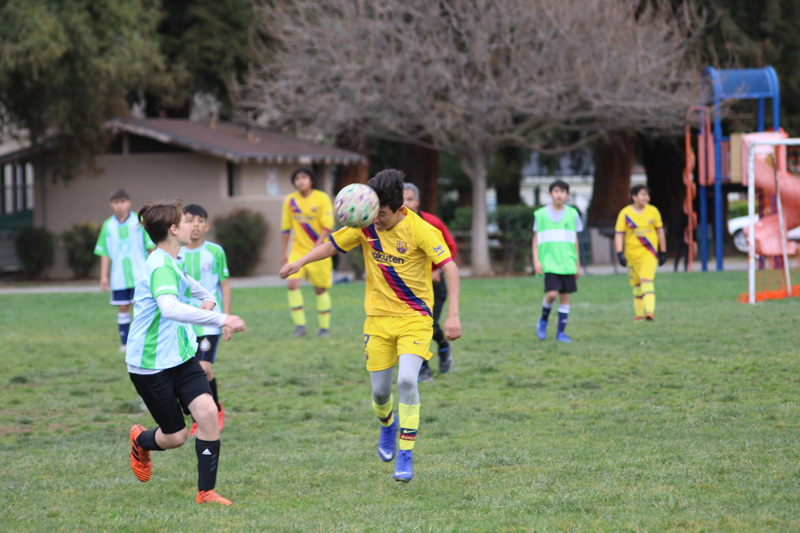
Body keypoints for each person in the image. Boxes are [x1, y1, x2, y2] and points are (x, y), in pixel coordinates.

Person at [279, 169, 462, 483]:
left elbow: (450, 268)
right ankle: (388, 426)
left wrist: (453, 314)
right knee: (379, 393)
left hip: (415, 319)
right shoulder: (366, 226)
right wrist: (300, 262)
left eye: (383, 215)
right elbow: (333, 245)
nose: (376, 220)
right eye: (373, 214)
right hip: (377, 321)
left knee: (407, 381)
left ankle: (406, 453)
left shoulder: (421, 230)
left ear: (399, 208)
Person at [126, 200, 246, 506]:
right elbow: (169, 307)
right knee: (176, 437)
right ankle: (140, 440)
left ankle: (206, 492)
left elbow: (199, 290)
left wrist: (209, 301)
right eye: (185, 221)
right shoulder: (159, 266)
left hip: (182, 356)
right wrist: (222, 318)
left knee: (207, 413)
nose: (191, 225)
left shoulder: (173, 261)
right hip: (151, 365)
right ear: (173, 229)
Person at [180, 204, 231, 437]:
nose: (195, 225)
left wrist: (226, 318)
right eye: (190, 220)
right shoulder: (176, 254)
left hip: (209, 322)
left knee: (204, 368)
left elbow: (225, 285)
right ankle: (197, 418)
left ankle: (215, 410)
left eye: (200, 220)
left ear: (207, 226)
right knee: (187, 373)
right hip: (183, 323)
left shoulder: (215, 252)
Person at [402, 182, 457, 382]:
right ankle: (425, 365)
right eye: (401, 199)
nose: (405, 204)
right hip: (409, 288)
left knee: (427, 326)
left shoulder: (432, 222)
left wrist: (437, 270)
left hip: (434, 286)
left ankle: (439, 350)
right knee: (412, 328)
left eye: (409, 199)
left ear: (417, 201)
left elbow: (450, 247)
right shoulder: (393, 225)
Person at [94, 189, 155, 352]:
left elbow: (150, 246)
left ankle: (141, 341)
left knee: (139, 306)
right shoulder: (108, 225)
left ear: (129, 203)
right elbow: (104, 252)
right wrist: (104, 276)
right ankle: (125, 343)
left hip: (139, 274)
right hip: (119, 276)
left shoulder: (138, 221)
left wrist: (154, 269)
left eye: (122, 202)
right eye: (116, 202)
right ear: (111, 205)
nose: (119, 206)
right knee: (122, 307)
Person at [280, 168, 335, 337]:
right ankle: (300, 326)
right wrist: (284, 252)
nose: (300, 181)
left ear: (311, 180)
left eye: (304, 177)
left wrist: (317, 245)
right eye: (297, 178)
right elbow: (286, 228)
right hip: (297, 250)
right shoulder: (290, 201)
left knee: (320, 289)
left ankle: (324, 328)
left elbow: (327, 225)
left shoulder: (322, 198)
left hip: (320, 251)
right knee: (292, 284)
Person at [532, 180, 582, 343]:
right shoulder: (540, 214)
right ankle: (543, 320)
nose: (559, 194)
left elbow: (575, 240)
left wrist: (577, 263)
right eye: (556, 191)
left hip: (567, 262)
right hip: (549, 262)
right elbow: (535, 239)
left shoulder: (573, 214)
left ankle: (561, 333)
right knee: (552, 294)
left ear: (567, 195)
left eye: (562, 191)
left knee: (565, 297)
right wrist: (536, 261)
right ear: (550, 194)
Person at [614, 185, 667, 321]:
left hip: (649, 253)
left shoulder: (653, 211)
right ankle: (639, 315)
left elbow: (660, 232)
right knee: (637, 284)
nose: (646, 198)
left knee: (646, 280)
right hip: (632, 255)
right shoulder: (625, 213)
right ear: (634, 197)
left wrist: (663, 251)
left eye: (647, 195)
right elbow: (619, 234)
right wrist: (619, 252)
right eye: (643, 194)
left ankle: (649, 312)